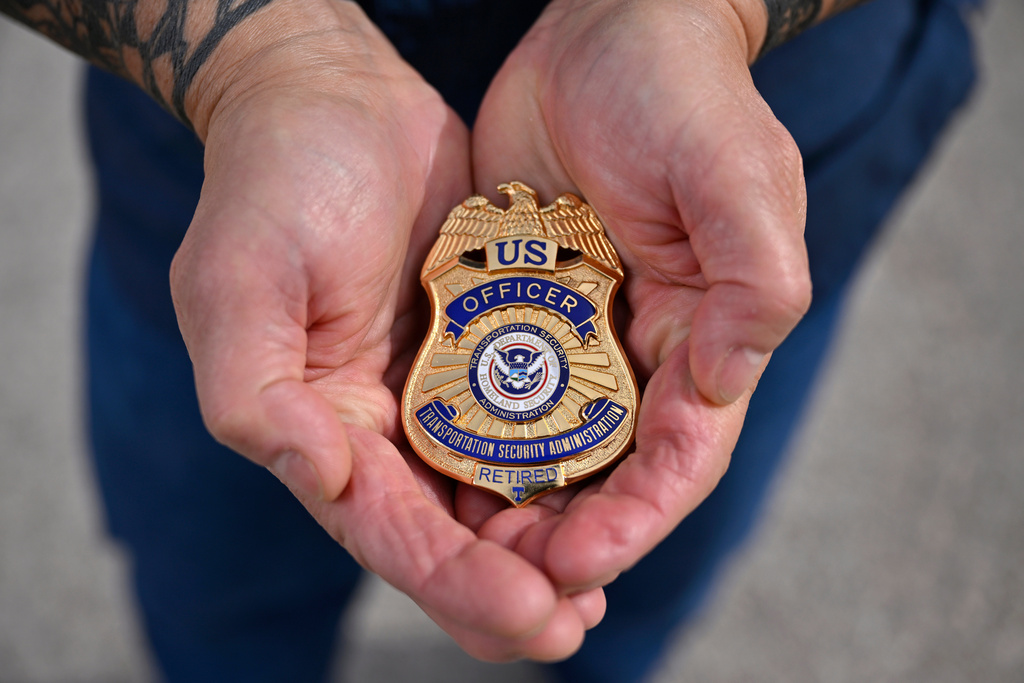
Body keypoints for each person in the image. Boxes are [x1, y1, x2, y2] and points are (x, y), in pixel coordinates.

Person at [0, 0, 979, 680]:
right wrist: (251, 59)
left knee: (647, 557)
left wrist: (703, 13)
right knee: (217, 575)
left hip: (707, 161)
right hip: (233, 143)